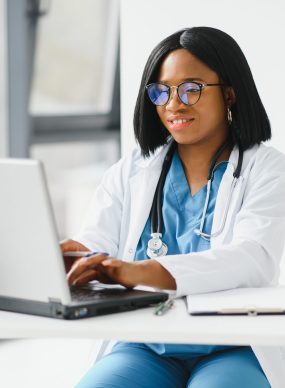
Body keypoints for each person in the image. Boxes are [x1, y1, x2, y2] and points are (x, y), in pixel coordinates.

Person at [61, 27, 285, 388]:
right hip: (145, 345)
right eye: (161, 91)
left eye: (191, 88)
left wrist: (141, 271)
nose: (173, 104)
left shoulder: (268, 169)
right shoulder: (132, 170)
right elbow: (97, 240)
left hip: (232, 345)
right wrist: (80, 258)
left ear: (229, 93)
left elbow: (253, 258)